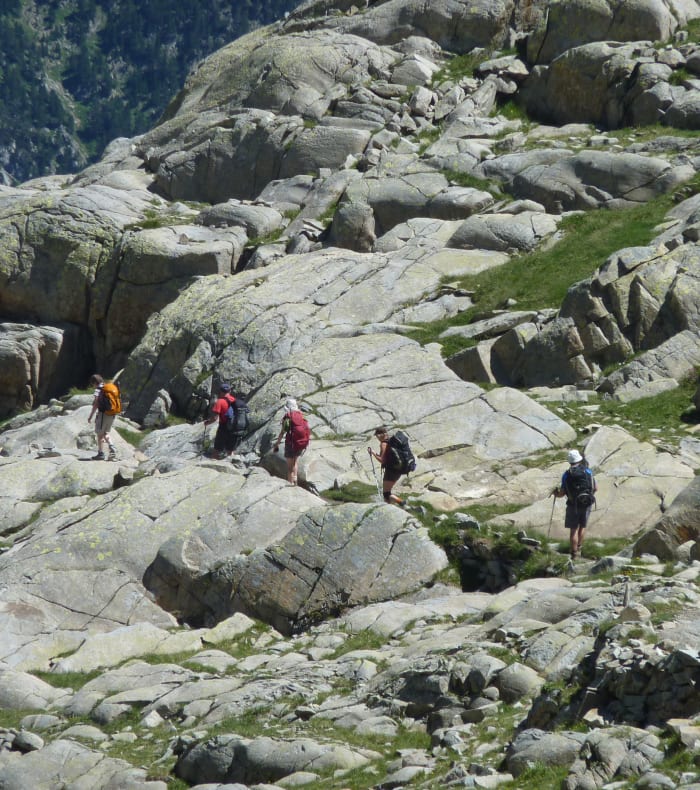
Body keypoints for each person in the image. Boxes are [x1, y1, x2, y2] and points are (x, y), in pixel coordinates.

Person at [554, 449, 597, 559]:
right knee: (582, 527)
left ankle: (574, 554)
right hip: (586, 503)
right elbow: (595, 488)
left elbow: (562, 493)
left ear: (569, 461)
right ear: (579, 459)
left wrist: (556, 494)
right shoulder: (588, 471)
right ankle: (579, 548)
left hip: (573, 505)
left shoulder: (566, 475)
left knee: (573, 530)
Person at [272, 398, 309, 485]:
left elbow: (282, 433)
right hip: (300, 443)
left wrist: (276, 444)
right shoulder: (301, 415)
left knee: (289, 467)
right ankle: (295, 481)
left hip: (290, 443)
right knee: (295, 462)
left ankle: (290, 483)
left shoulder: (288, 417)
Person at [368, 425, 405, 507]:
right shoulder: (391, 442)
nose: (377, 437)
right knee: (387, 493)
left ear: (380, 435)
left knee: (386, 494)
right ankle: (390, 506)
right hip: (398, 469)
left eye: (377, 435)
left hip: (391, 471)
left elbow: (382, 460)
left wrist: (373, 453)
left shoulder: (383, 444)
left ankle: (401, 502)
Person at [87, 374, 117, 460]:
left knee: (100, 434)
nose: (92, 386)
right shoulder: (109, 386)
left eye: (92, 384)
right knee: (105, 433)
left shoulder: (99, 389)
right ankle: (112, 447)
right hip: (112, 413)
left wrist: (90, 416)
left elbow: (96, 403)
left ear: (94, 382)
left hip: (103, 414)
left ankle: (101, 453)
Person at [204, 383, 236, 459]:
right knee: (230, 450)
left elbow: (214, 418)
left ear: (221, 391)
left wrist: (207, 422)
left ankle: (212, 466)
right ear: (229, 391)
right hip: (234, 428)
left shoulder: (220, 401)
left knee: (217, 450)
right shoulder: (234, 400)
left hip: (224, 427)